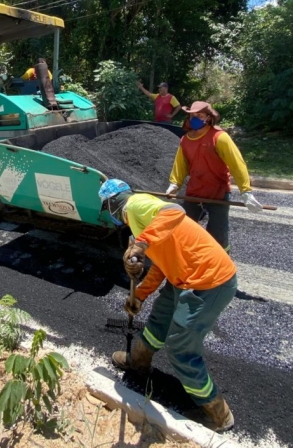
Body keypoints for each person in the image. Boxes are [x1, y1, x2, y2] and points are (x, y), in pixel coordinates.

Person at [99, 179, 237, 432]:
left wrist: (140, 245)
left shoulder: (135, 205)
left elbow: (175, 211)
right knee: (159, 320)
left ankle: (218, 415)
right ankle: (138, 362)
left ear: (112, 204)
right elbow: (161, 263)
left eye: (107, 210)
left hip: (208, 280)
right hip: (182, 276)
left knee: (180, 348)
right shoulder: (139, 223)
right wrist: (140, 295)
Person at [165, 101, 262, 252]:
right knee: (184, 229)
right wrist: (174, 184)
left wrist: (246, 191)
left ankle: (223, 264)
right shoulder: (186, 140)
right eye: (192, 115)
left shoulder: (219, 137)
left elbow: (237, 164)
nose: (195, 118)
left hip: (217, 193)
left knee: (218, 234)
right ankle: (187, 262)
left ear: (208, 118)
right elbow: (180, 164)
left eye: (199, 115)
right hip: (195, 191)